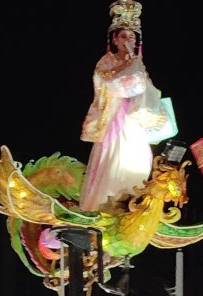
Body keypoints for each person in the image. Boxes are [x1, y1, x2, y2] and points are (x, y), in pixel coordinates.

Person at [78, 0, 175, 212]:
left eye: (131, 37)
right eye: (123, 36)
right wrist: (128, 66)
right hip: (116, 115)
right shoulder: (107, 61)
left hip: (136, 117)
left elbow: (147, 89)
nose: (128, 40)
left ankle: (130, 198)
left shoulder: (138, 63)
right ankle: (109, 201)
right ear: (114, 38)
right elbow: (106, 82)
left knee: (138, 157)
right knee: (116, 157)